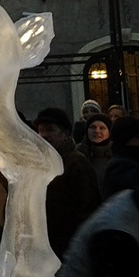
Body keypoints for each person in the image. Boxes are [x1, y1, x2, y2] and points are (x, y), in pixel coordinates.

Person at [34, 107, 101, 260]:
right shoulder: (39, 163)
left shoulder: (76, 162)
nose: (44, 135)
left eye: (50, 130)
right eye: (41, 130)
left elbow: (88, 207)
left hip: (69, 247)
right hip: (47, 246)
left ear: (65, 134)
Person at [76, 113, 114, 188]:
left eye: (102, 128)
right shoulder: (77, 155)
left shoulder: (116, 155)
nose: (97, 131)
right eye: (93, 127)